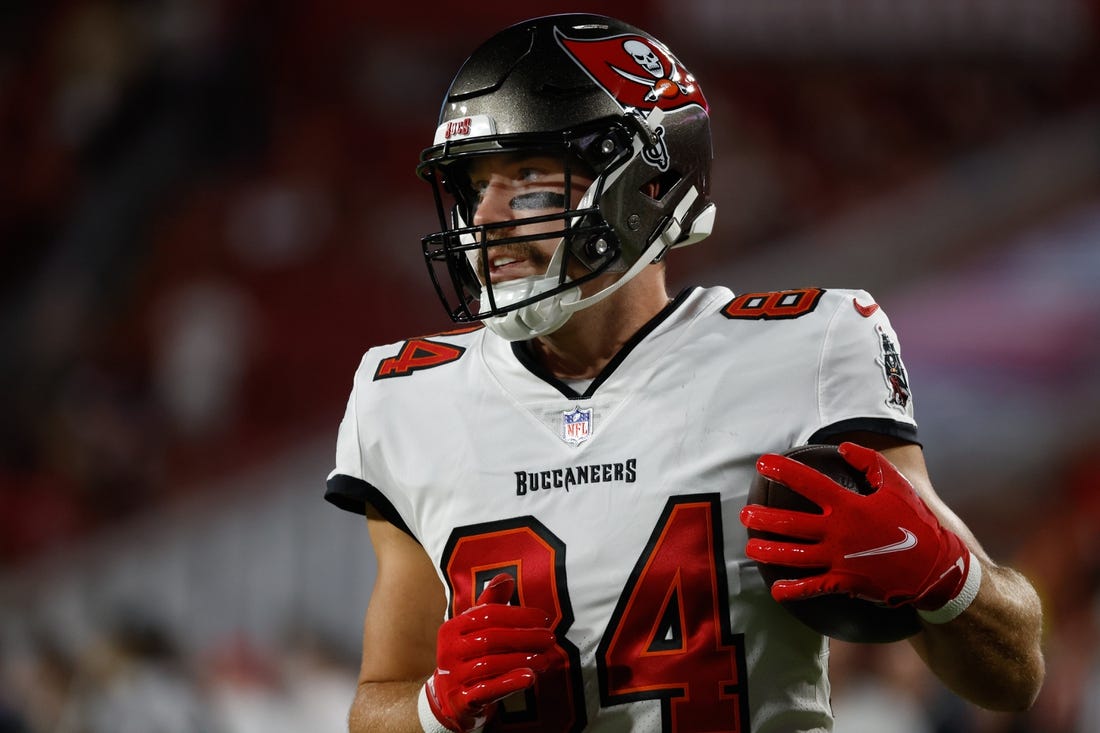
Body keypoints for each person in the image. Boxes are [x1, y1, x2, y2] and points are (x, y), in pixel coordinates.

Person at [324, 13, 1044, 733]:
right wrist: (429, 708)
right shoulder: (407, 396)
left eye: (530, 179)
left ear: (647, 184)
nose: (485, 217)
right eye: (473, 185)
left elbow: (1015, 674)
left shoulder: (807, 348)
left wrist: (951, 580)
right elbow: (376, 702)